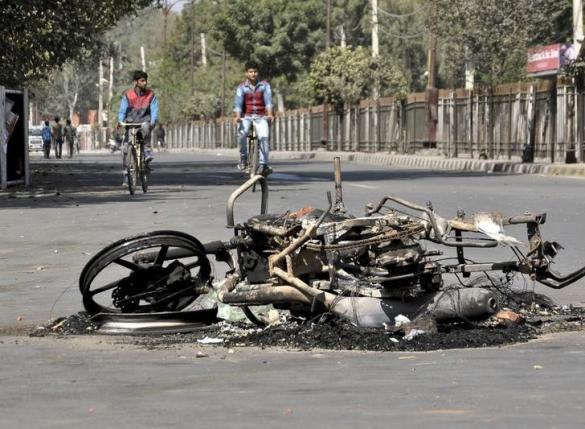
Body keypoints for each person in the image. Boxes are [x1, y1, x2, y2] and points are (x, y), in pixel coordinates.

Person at [233, 61, 274, 176]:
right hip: (246, 116)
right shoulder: (241, 87)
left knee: (264, 137)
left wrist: (270, 115)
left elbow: (269, 102)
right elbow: (238, 104)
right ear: (246, 73)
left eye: (255, 71)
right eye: (250, 72)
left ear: (258, 72)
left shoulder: (265, 85)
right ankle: (243, 160)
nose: (253, 74)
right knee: (242, 134)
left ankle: (263, 164)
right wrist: (237, 117)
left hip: (261, 116)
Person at [117, 70, 158, 185]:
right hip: (130, 124)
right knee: (126, 149)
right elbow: (122, 110)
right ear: (135, 82)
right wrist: (120, 121)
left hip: (144, 122)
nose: (145, 83)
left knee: (145, 128)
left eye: (145, 80)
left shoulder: (151, 95)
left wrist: (153, 121)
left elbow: (154, 110)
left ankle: (146, 151)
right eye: (142, 81)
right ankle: (126, 176)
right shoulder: (128, 95)